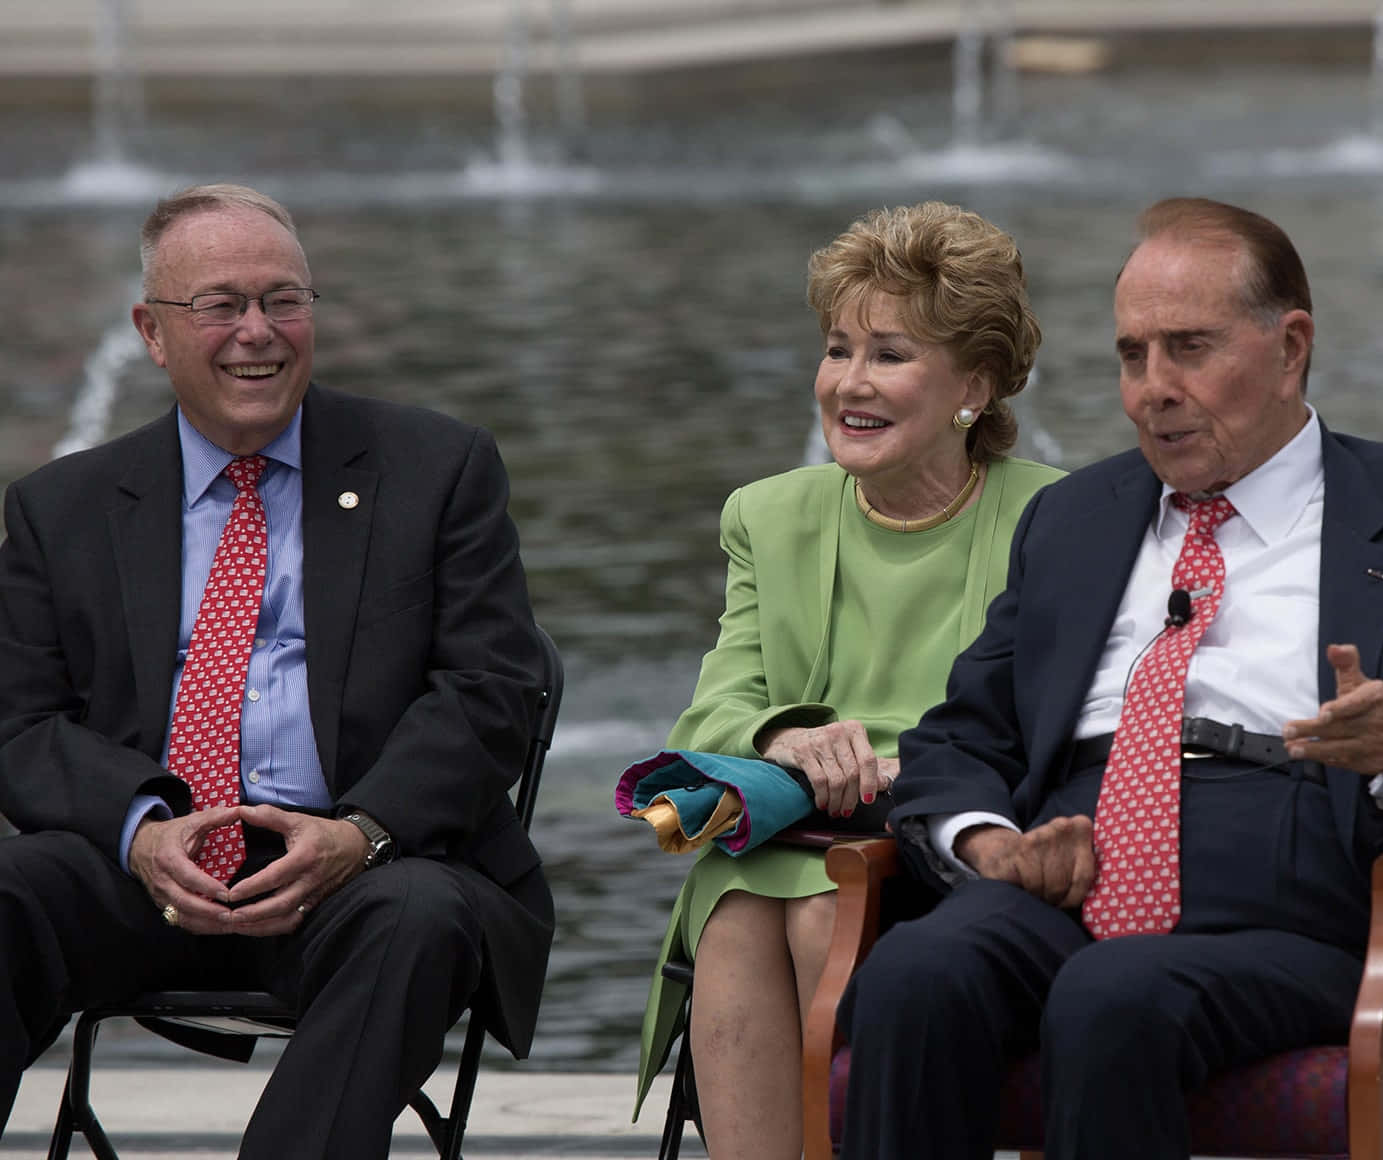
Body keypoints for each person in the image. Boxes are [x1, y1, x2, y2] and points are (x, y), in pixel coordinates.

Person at [836, 196, 1383, 1160]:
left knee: (1114, 996)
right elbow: (962, 735)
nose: (1154, 389)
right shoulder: (1077, 519)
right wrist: (989, 844)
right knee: (916, 973)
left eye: (1189, 349)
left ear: (1291, 348)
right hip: (1068, 880)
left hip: (1318, 902)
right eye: (1132, 355)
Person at [0, 184, 554, 1158]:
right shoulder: (62, 507)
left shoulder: (437, 468)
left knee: (419, 916)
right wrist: (141, 833)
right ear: (152, 332)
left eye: (282, 300)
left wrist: (359, 832)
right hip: (147, 870)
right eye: (219, 304)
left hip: (367, 865)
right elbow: (20, 722)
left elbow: (492, 688)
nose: (256, 331)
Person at [633, 201, 1064, 1159]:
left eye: (889, 354)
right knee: (741, 905)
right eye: (838, 350)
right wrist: (785, 737)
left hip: (954, 845)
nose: (849, 383)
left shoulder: (1057, 518)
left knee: (822, 902)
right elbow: (712, 714)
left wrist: (904, 773)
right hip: (790, 842)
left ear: (974, 386)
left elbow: (1056, 727)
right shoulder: (766, 515)